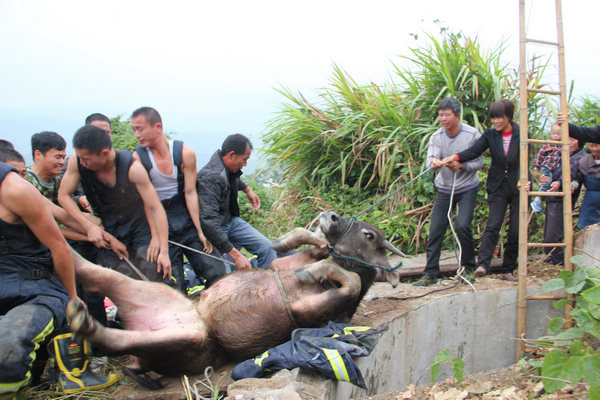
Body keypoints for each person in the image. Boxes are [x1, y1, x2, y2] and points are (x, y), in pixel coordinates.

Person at [0, 161, 118, 396]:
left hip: (36, 285)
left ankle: (72, 372)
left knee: (8, 346)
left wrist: (72, 298)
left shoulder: (18, 190)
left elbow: (59, 242)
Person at [58, 124, 172, 282]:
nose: (82, 162)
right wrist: (88, 226)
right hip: (107, 223)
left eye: (86, 159)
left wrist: (162, 247)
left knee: (152, 266)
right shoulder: (76, 162)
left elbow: (155, 207)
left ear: (104, 153)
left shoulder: (133, 169)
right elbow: (63, 196)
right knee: (116, 276)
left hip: (139, 224)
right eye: (80, 157)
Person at [131, 106, 226, 291]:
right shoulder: (139, 158)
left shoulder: (184, 153)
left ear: (157, 127)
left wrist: (200, 229)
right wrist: (156, 238)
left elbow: (190, 192)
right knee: (172, 285)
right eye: (133, 129)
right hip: (158, 219)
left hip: (184, 213)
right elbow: (147, 203)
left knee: (218, 272)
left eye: (140, 128)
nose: (136, 134)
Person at [442, 99, 523, 281]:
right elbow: (474, 151)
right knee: (493, 225)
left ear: (508, 117)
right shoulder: (490, 135)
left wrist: (525, 181)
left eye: (499, 118)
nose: (495, 121)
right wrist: (453, 157)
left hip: (518, 188)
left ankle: (508, 270)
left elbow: (526, 160)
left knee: (516, 230)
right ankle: (483, 265)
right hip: (497, 187)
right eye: (493, 118)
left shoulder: (521, 135)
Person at [414, 98, 483, 286]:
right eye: (440, 115)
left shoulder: (472, 134)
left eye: (447, 114)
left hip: (467, 187)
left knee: (462, 225)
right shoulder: (436, 137)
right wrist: (435, 163)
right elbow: (431, 160)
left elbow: (479, 163)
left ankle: (468, 268)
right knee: (436, 229)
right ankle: (430, 274)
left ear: (457, 115)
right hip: (444, 189)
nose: (443, 118)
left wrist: (461, 165)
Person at [197, 134, 277, 270]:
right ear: (231, 155)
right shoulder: (210, 178)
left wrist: (247, 190)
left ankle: (266, 284)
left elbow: (234, 178)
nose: (245, 164)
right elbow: (208, 222)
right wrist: (235, 254)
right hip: (215, 230)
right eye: (244, 159)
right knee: (225, 274)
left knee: (267, 248)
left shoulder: (228, 168)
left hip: (231, 222)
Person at [543, 137, 586, 264]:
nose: (568, 142)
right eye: (566, 139)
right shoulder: (563, 154)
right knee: (550, 235)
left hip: (562, 199)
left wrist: (562, 183)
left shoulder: (580, 158)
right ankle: (552, 261)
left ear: (579, 142)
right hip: (553, 197)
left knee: (553, 236)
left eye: (572, 140)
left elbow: (576, 177)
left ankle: (559, 263)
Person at [25, 131, 66, 204]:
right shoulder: (25, 181)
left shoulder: (58, 179)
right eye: (58, 157)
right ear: (38, 154)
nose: (62, 162)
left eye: (63, 157)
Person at [530, 124, 562, 213]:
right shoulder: (548, 145)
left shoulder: (561, 146)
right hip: (547, 167)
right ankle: (537, 199)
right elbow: (539, 156)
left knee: (549, 185)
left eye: (558, 134)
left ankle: (540, 200)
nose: (555, 136)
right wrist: (536, 168)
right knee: (547, 182)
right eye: (554, 133)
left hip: (554, 169)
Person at [574, 142, 600, 229]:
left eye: (597, 146)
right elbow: (577, 179)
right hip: (591, 202)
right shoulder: (584, 162)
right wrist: (572, 185)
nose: (595, 149)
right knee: (588, 229)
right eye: (592, 146)